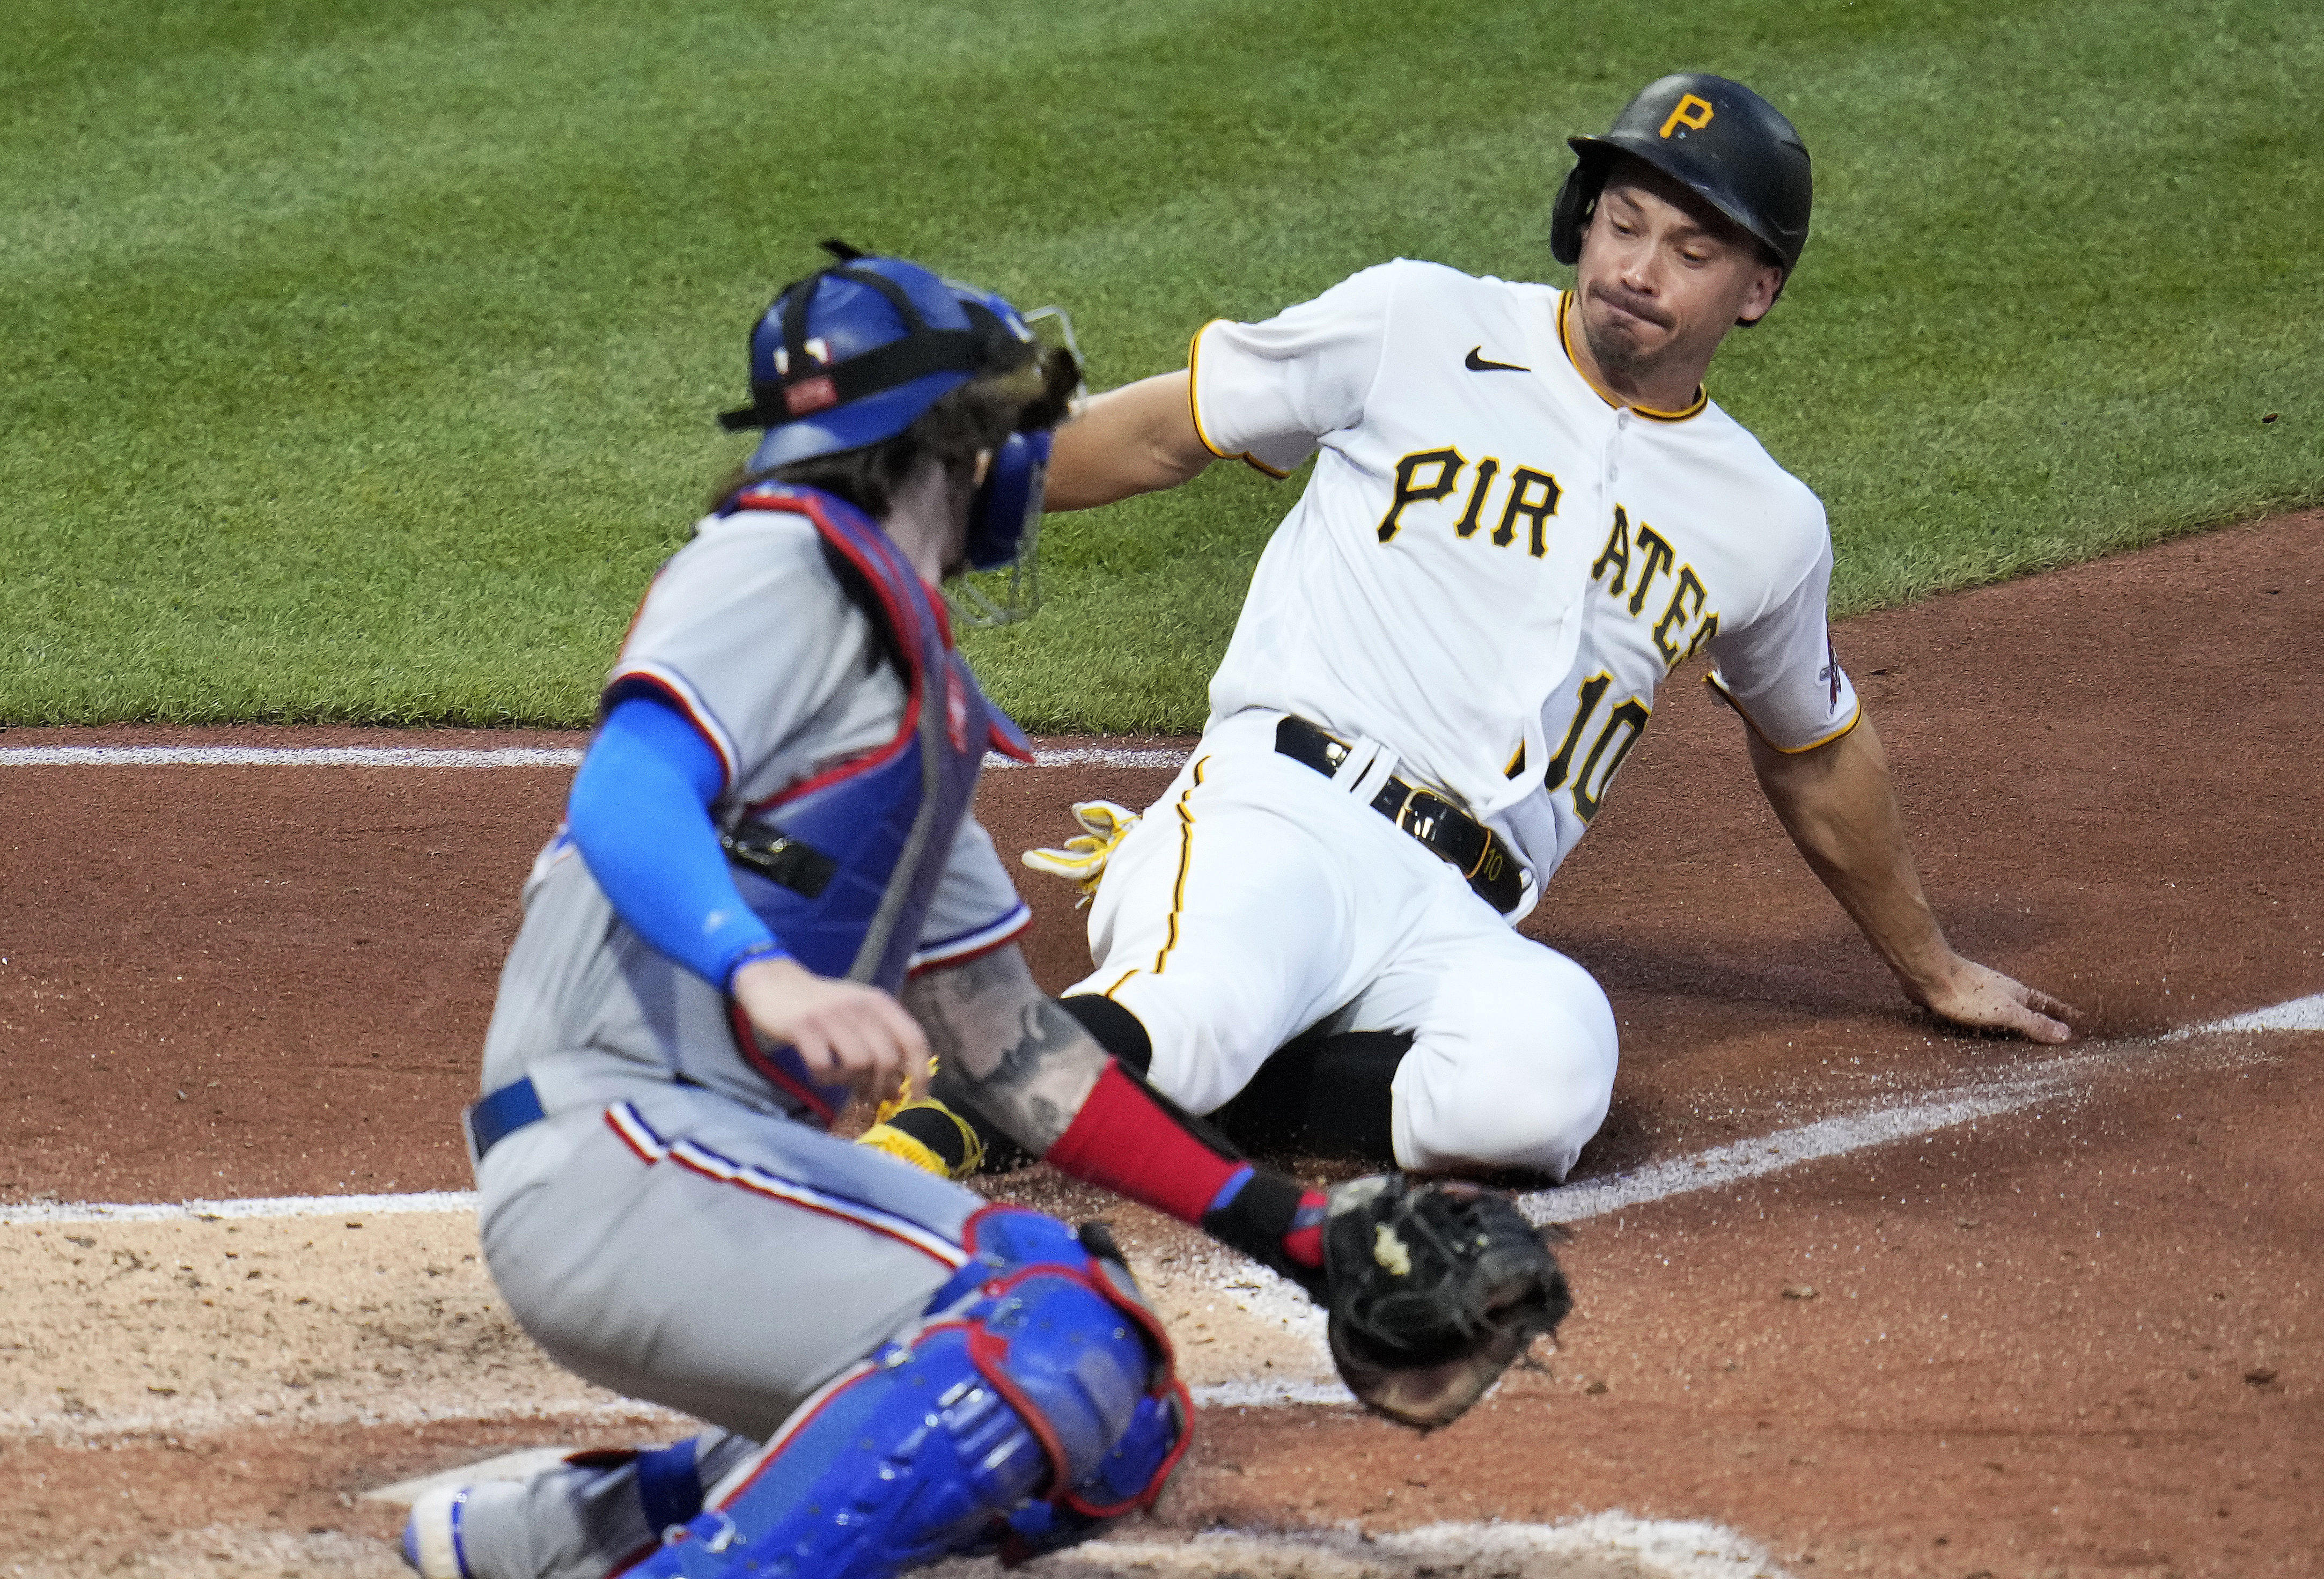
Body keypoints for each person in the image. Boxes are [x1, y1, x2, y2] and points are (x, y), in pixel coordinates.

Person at [868, 74, 2073, 1188]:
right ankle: (894, 1159)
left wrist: (1931, 965)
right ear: (1579, 220)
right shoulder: (1418, 321)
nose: (1637, 268)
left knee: (1543, 1080)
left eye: (1691, 249)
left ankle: (1207, 1087)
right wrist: (932, 502)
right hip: (1278, 815)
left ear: (1754, 292)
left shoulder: (1766, 520)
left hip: (1458, 909)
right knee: (1192, 1005)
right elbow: (1160, 432)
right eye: (1621, 222)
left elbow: (1811, 746)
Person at [399, 250, 1362, 1579]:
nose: (1031, 444)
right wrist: (760, 974)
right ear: (941, 442)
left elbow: (1017, 1053)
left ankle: (577, 1527)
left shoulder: (913, 701)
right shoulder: (781, 562)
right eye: (1005, 413)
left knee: (1114, 1411)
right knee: (1046, 1330)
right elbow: (630, 780)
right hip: (616, 1146)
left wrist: (1282, 1223)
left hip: (701, 1168)